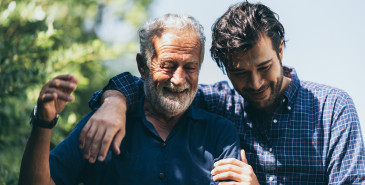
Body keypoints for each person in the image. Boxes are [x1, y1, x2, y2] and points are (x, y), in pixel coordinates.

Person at [79, 1, 365, 184]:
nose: (254, 84)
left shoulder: (333, 109)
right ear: (225, 69)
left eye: (264, 67)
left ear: (280, 51)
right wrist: (114, 101)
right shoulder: (221, 104)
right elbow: (156, 86)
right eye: (240, 73)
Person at [18, 14, 246, 185]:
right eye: (167, 66)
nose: (178, 79)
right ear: (142, 66)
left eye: (190, 67)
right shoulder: (103, 123)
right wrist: (43, 121)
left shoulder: (220, 134)